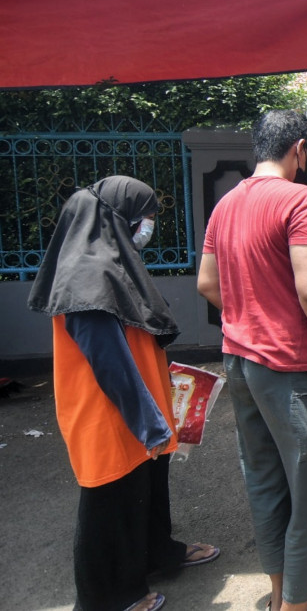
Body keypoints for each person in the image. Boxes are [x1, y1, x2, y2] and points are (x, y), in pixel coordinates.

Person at [27, 175, 218, 611]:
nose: (148, 225)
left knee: (146, 489)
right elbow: (108, 360)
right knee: (107, 502)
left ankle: (156, 554)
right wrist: (149, 423)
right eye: (145, 216)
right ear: (119, 217)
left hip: (137, 406)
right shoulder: (87, 274)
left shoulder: (111, 261)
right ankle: (107, 597)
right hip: (109, 411)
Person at [197, 110, 307, 611]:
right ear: (301, 149)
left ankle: (280, 595)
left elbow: (207, 283)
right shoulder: (299, 198)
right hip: (294, 369)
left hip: (240, 362)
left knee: (266, 480)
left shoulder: (227, 204)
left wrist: (250, 315)